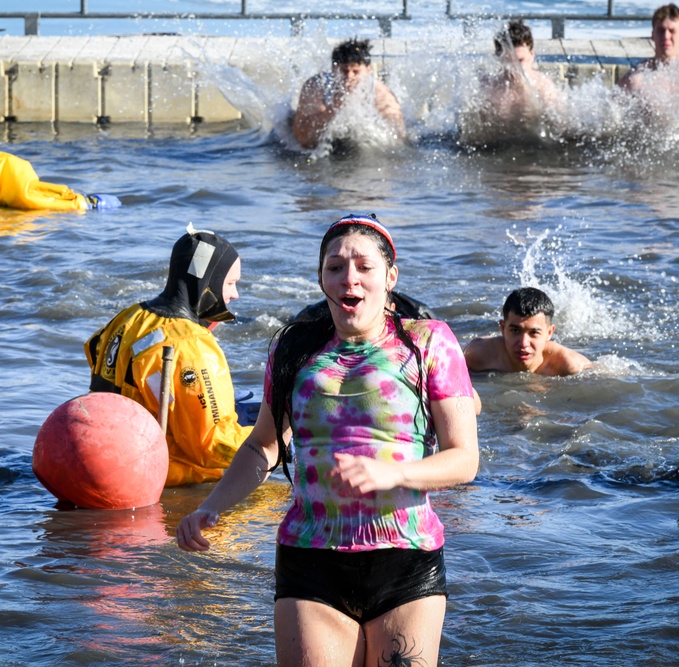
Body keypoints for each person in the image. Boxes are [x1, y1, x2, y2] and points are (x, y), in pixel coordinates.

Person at [177, 214, 479, 666]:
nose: (349, 278)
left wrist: (392, 472)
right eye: (335, 267)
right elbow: (263, 445)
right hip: (309, 557)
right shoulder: (294, 349)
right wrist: (211, 506)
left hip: (404, 557)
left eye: (363, 266)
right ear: (321, 278)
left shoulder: (427, 342)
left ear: (390, 277)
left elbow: (463, 459)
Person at [84, 225, 252, 487]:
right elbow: (212, 447)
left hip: (97, 454)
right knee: (273, 497)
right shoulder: (192, 344)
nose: (234, 294)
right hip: (152, 476)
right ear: (207, 281)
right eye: (230, 283)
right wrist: (279, 441)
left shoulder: (128, 318)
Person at [291, 38, 405, 149]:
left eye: (356, 71)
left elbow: (397, 140)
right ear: (333, 69)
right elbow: (303, 139)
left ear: (368, 71)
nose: (349, 77)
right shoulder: (316, 86)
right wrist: (334, 107)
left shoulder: (381, 94)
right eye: (343, 71)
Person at [464, 287, 591, 376]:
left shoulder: (570, 364)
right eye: (515, 331)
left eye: (534, 333)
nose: (524, 343)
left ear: (549, 333)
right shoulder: (476, 355)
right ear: (502, 329)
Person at [479, 20, 564, 125]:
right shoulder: (488, 86)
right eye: (508, 61)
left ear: (532, 54)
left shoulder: (543, 86)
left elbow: (554, 125)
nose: (515, 67)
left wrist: (524, 89)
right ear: (498, 58)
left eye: (520, 61)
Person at [618, 4, 679, 93]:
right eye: (661, 30)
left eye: (672, 31)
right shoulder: (636, 80)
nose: (666, 36)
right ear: (653, 35)